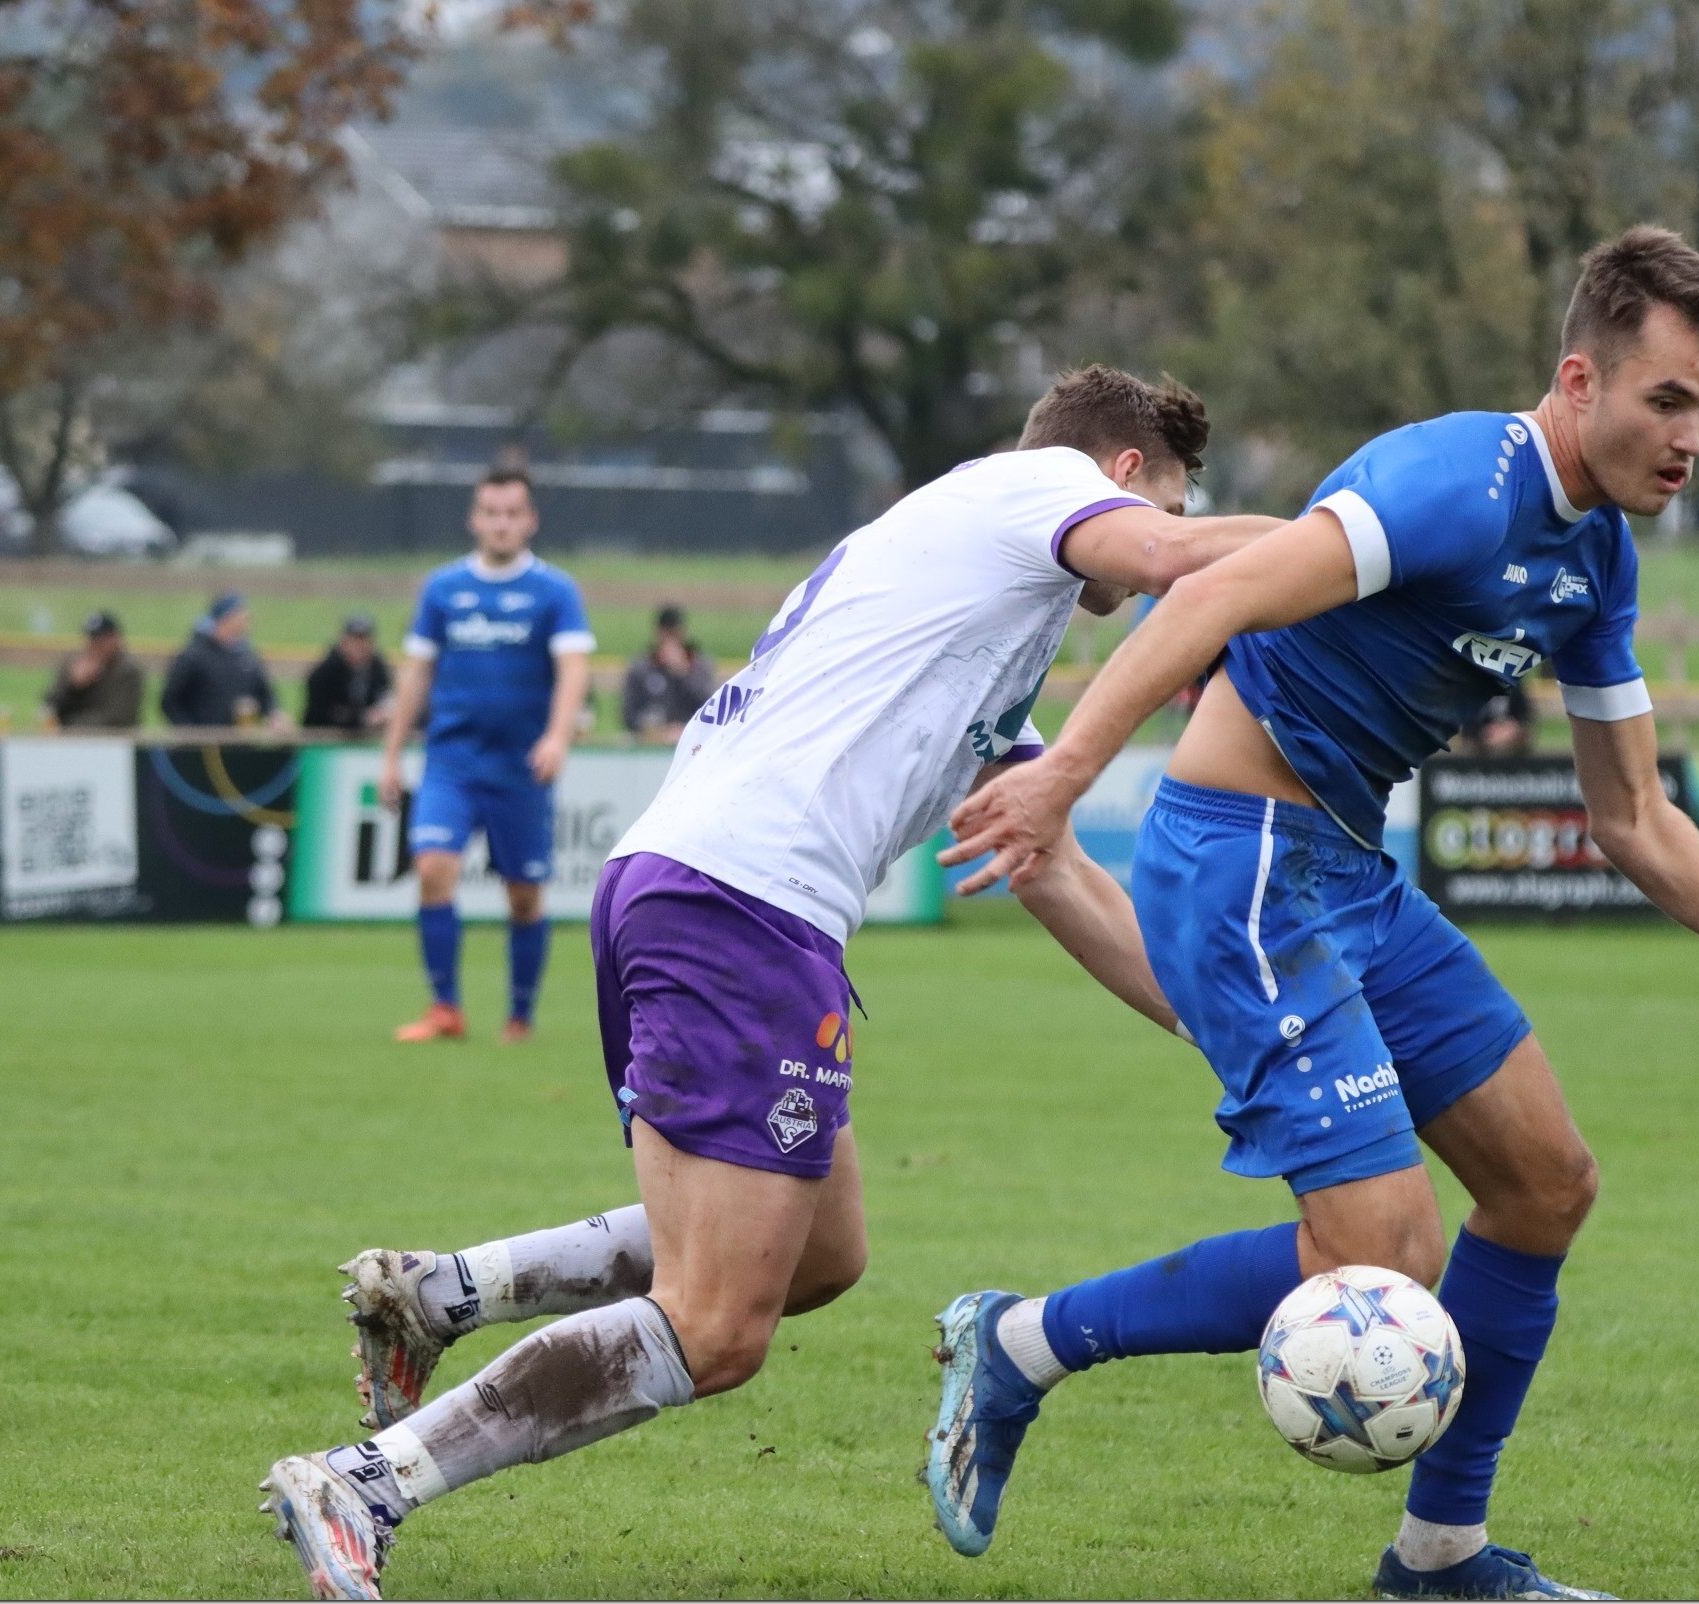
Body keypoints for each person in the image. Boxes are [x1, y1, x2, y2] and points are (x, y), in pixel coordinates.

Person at [928, 228, 1699, 1600]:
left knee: (1545, 1183)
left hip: (1350, 877)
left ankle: (1436, 1559)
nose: (1689, 438)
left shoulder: (1595, 558)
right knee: (1377, 1251)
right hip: (1238, 863)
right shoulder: (1450, 482)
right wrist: (1058, 782)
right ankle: (1017, 1342)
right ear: (1578, 381)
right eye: (1665, 401)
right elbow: (1208, 594)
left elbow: (1628, 816)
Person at [257, 366, 1287, 1600]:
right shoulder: (1040, 487)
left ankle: (445, 1289)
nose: (1175, 528)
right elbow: (1179, 562)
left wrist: (1228, 1029)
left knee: (820, 1254)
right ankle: (364, 1481)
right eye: (1179, 502)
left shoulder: (976, 610)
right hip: (737, 902)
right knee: (717, 1323)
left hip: (703, 888)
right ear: (1126, 470)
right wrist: (1360, 544)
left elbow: (1051, 866)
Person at [381, 470, 593, 1048]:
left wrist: (557, 736)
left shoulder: (555, 592)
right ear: (474, 520)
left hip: (521, 769)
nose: (501, 523)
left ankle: (519, 1017)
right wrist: (392, 753)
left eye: (512, 513)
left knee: (523, 895)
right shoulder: (443, 588)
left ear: (530, 521)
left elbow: (574, 667)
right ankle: (445, 1008)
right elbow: (417, 671)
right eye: (491, 513)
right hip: (451, 761)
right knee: (432, 869)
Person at [160, 592, 284, 729]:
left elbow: (265, 695)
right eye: (242, 616)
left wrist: (273, 715)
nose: (247, 622)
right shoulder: (194, 655)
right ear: (226, 618)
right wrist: (190, 732)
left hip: (241, 741)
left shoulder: (248, 655)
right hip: (198, 743)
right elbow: (170, 701)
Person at [619, 605, 716, 743]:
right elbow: (628, 715)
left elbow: (711, 706)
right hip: (651, 742)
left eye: (675, 634)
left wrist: (683, 672)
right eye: (667, 634)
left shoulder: (698, 666)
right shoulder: (642, 667)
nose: (671, 641)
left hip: (691, 739)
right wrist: (656, 730)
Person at [42, 612, 146, 730]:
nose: (95, 645)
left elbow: (118, 719)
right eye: (92, 639)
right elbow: (50, 707)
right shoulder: (73, 664)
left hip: (113, 741)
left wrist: (69, 725)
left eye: (102, 640)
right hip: (69, 738)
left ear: (116, 639)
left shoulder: (127, 671)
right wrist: (73, 686)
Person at [303, 613, 394, 734]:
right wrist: (362, 718)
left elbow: (383, 695)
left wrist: (383, 712)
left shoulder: (377, 667)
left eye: (364, 640)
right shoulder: (325, 672)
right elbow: (323, 713)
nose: (359, 646)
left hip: (366, 739)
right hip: (323, 738)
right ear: (343, 641)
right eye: (355, 640)